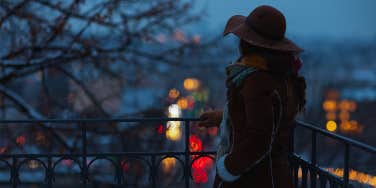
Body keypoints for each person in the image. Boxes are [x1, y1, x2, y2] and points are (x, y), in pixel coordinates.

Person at [198, 5, 306, 188]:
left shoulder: (257, 80)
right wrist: (226, 115)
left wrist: (228, 168)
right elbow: (269, 118)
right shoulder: (280, 74)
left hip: (255, 178)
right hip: (275, 174)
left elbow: (260, 138)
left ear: (247, 43)